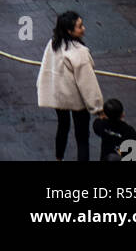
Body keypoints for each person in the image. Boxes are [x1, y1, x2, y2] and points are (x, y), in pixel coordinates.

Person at [37, 11, 104, 162]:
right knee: (82, 137)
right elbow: (88, 85)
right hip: (76, 100)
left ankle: (59, 158)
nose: (83, 29)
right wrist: (98, 109)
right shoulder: (80, 53)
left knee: (62, 127)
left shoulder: (54, 43)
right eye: (80, 27)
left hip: (59, 96)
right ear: (70, 31)